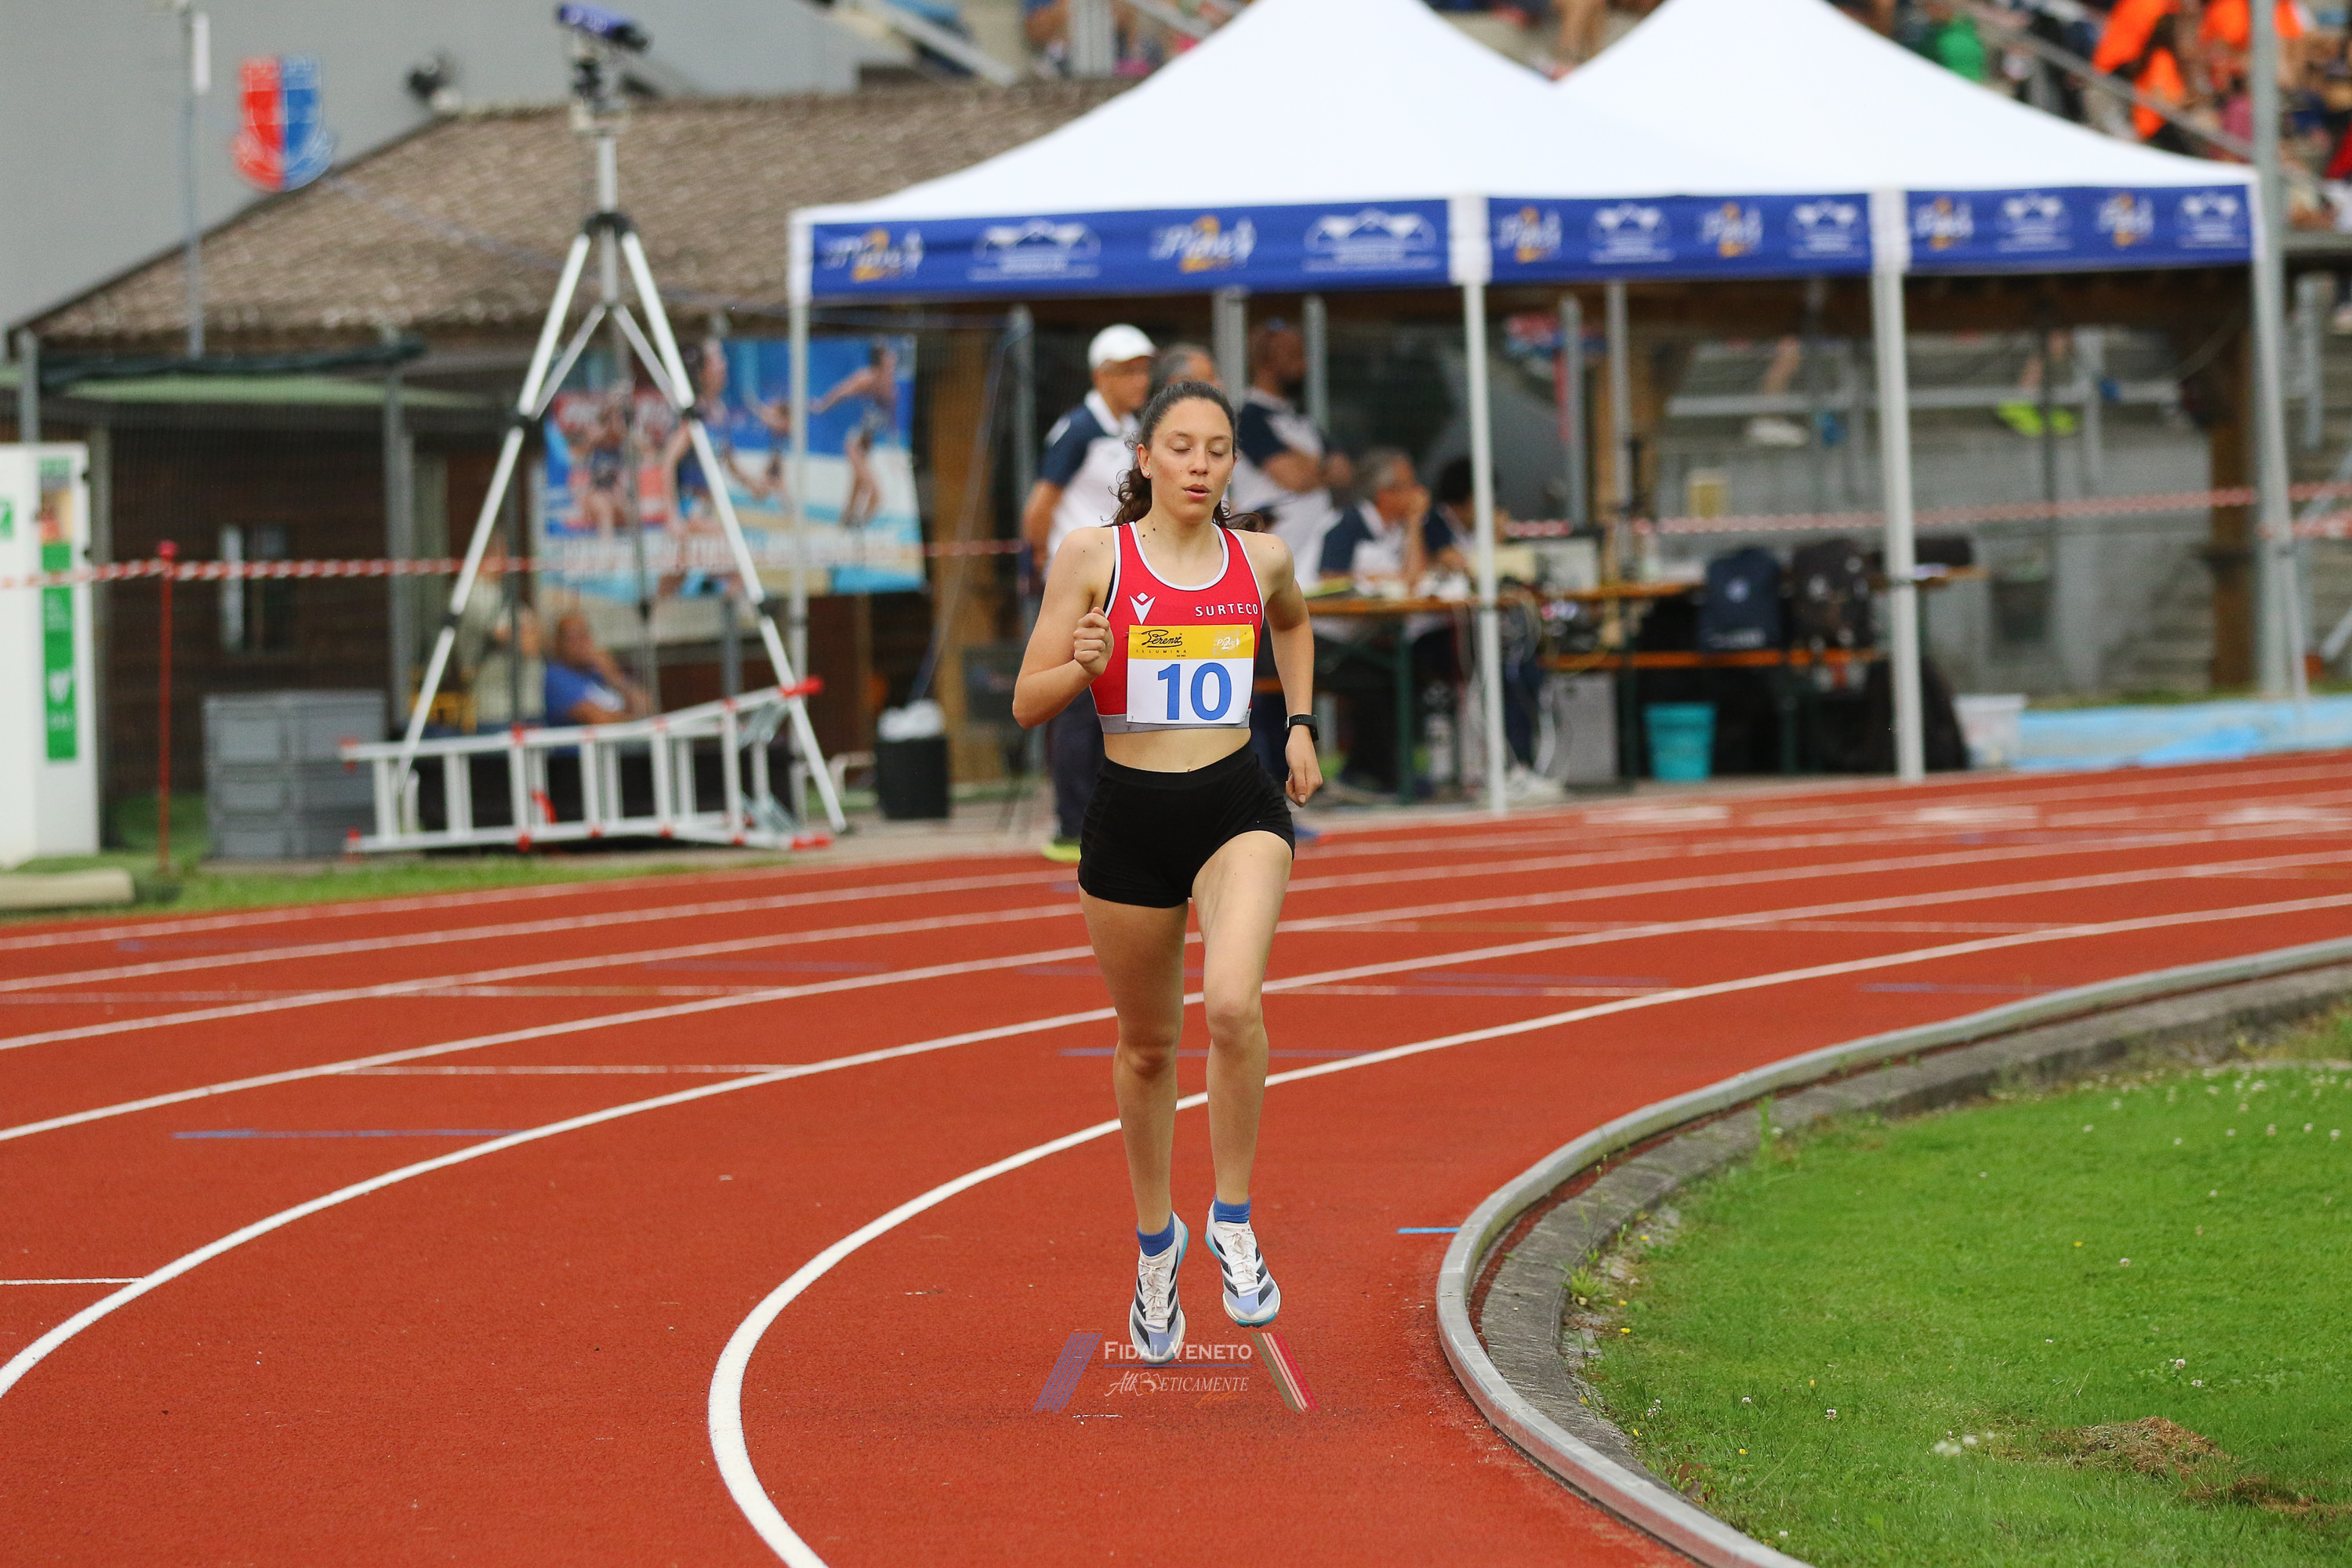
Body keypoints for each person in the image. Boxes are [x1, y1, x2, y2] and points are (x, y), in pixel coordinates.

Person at [1012, 378, 1320, 1367]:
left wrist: (1300, 723)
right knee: (1148, 1047)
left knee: (1232, 1004)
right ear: (1143, 459)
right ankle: (1157, 1242)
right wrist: (1083, 663)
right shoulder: (1093, 556)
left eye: (1217, 449)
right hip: (1130, 819)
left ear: (1233, 465)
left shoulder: (1261, 557)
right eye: (1180, 446)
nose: (1199, 464)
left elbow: (1293, 622)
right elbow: (1027, 700)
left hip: (1236, 805)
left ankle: (1233, 1218)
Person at [1022, 324, 1157, 863]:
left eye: (1144, 369)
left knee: (1116, 701)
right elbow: (1040, 506)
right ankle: (1070, 824)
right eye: (1128, 371)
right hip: (1081, 586)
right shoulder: (1078, 429)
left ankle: (1106, 818)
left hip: (1120, 581)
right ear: (1101, 376)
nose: (1140, 380)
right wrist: (1041, 565)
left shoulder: (1129, 429)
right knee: (1078, 704)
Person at [1311, 449, 1428, 795]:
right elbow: (1330, 579)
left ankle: (1371, 771)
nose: (1417, 494)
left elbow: (1414, 580)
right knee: (1375, 681)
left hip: (1355, 639)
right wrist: (1376, 583)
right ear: (1384, 493)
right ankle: (1376, 775)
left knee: (1406, 673)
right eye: (1408, 486)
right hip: (1317, 637)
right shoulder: (1346, 524)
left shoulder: (1394, 530)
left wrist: (1415, 524)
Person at [1229, 318, 1351, 572]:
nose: (1304, 365)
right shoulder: (1248, 420)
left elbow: (1344, 472)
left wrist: (1304, 463)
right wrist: (1320, 466)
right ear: (1265, 362)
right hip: (1269, 557)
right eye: (1294, 356)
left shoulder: (1302, 420)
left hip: (1311, 556)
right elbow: (1294, 478)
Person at [811, 339, 900, 531]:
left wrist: (895, 447)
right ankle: (857, 527)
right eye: (890, 355)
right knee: (874, 492)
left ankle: (845, 525)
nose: (894, 357)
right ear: (882, 359)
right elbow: (842, 391)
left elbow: (891, 420)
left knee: (858, 485)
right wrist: (822, 406)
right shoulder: (867, 378)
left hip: (867, 444)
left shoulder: (891, 387)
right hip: (855, 442)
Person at [543, 613, 651, 726]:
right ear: (558, 643)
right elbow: (599, 720)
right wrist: (639, 723)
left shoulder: (597, 672)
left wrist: (614, 677)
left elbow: (647, 707)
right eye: (573, 637)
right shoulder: (556, 678)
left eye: (584, 635)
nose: (581, 643)